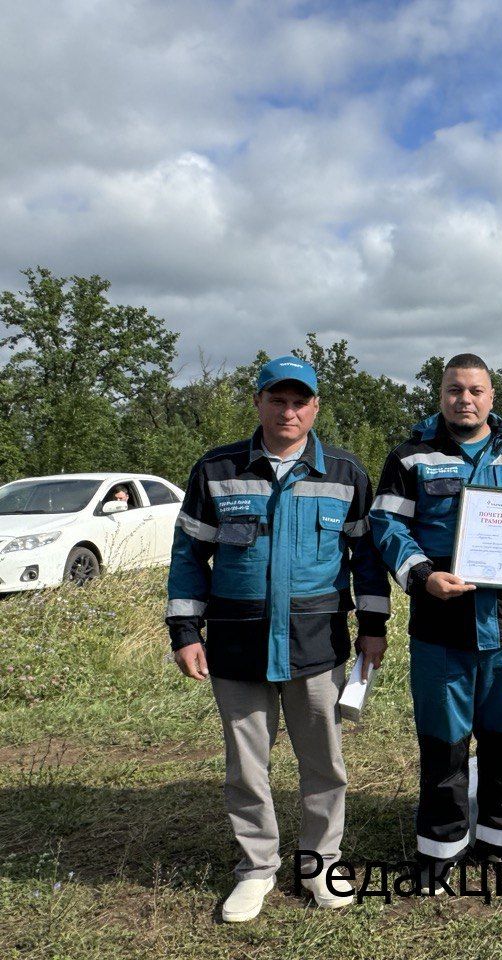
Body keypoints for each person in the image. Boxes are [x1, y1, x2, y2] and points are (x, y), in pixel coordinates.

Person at [166, 356, 391, 921]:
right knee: (246, 765)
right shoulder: (216, 470)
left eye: (300, 401)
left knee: (324, 762)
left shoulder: (344, 472)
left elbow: (366, 559)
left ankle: (321, 863)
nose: (288, 411)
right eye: (277, 400)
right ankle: (256, 870)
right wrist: (185, 630)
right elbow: (189, 555)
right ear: (259, 403)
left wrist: (373, 627)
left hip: (316, 642)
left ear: (316, 407)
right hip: (237, 644)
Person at [369, 353, 502, 891]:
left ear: (491, 397)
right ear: (441, 395)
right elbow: (387, 525)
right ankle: (441, 846)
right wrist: (422, 576)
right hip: (442, 625)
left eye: (476, 391)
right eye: (455, 390)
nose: (466, 399)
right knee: (444, 741)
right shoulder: (411, 457)